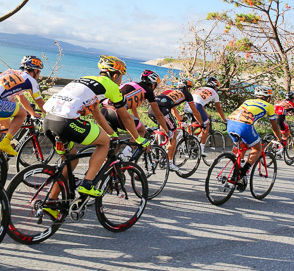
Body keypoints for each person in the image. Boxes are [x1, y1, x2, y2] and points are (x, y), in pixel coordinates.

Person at [42, 55, 148, 202]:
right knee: (104, 142)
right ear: (115, 75)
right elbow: (126, 117)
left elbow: (96, 112)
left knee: (71, 161)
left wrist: (113, 134)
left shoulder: (85, 79)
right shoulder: (111, 86)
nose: (121, 81)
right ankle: (87, 183)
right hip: (66, 122)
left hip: (48, 121)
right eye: (121, 77)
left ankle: (51, 202)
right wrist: (138, 138)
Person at [0, 55, 47, 156]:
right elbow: (39, 102)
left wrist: (32, 112)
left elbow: (21, 98)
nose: (39, 74)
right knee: (22, 114)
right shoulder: (31, 80)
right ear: (35, 70)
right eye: (39, 71)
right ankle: (6, 143)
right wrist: (49, 115)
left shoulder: (12, 72)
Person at [226, 86, 283, 189]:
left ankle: (236, 171)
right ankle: (243, 172)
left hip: (230, 123)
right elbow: (274, 125)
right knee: (257, 148)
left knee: (241, 146)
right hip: (244, 125)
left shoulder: (248, 101)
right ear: (268, 98)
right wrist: (279, 139)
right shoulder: (269, 105)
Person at [147, 77, 202, 171]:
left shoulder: (169, 90)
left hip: (151, 109)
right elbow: (195, 111)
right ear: (188, 88)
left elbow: (173, 109)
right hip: (163, 110)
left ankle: (156, 151)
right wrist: (201, 124)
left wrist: (180, 119)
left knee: (162, 128)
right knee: (174, 133)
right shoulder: (187, 94)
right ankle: (170, 162)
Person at [100, 69, 170, 139]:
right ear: (153, 84)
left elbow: (134, 109)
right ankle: (129, 150)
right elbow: (158, 114)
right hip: (116, 112)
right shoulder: (148, 91)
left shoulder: (133, 85)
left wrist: (140, 123)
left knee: (114, 141)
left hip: (103, 110)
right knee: (141, 131)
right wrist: (167, 131)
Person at [190, 76, 227, 148]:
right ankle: (202, 148)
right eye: (217, 87)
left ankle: (188, 139)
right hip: (197, 106)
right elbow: (219, 109)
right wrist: (224, 120)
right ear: (214, 86)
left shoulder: (200, 89)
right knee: (206, 126)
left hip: (188, 106)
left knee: (196, 123)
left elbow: (201, 103)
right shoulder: (214, 93)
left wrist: (206, 115)